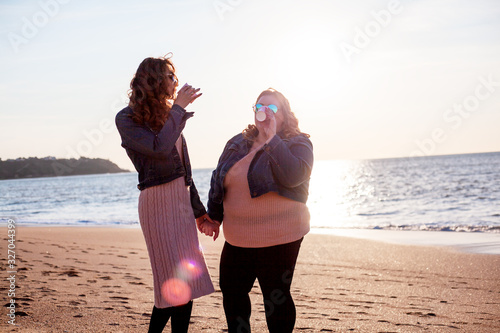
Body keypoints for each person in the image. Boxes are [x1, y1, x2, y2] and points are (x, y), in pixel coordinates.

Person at [115, 55, 218, 333]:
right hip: (157, 202)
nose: (177, 82)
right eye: (172, 76)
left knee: (185, 283)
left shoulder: (172, 117)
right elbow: (158, 148)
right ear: (156, 80)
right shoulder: (126, 118)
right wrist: (180, 109)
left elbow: (185, 172)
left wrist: (200, 213)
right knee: (169, 284)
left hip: (180, 202)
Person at [204, 88, 313, 333]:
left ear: (283, 114)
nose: (264, 112)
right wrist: (214, 217)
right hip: (238, 236)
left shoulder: (299, 142)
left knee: (275, 297)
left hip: (281, 234)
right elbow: (218, 179)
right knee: (232, 294)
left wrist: (272, 138)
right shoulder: (236, 143)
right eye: (259, 107)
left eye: (271, 108)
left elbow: (294, 176)